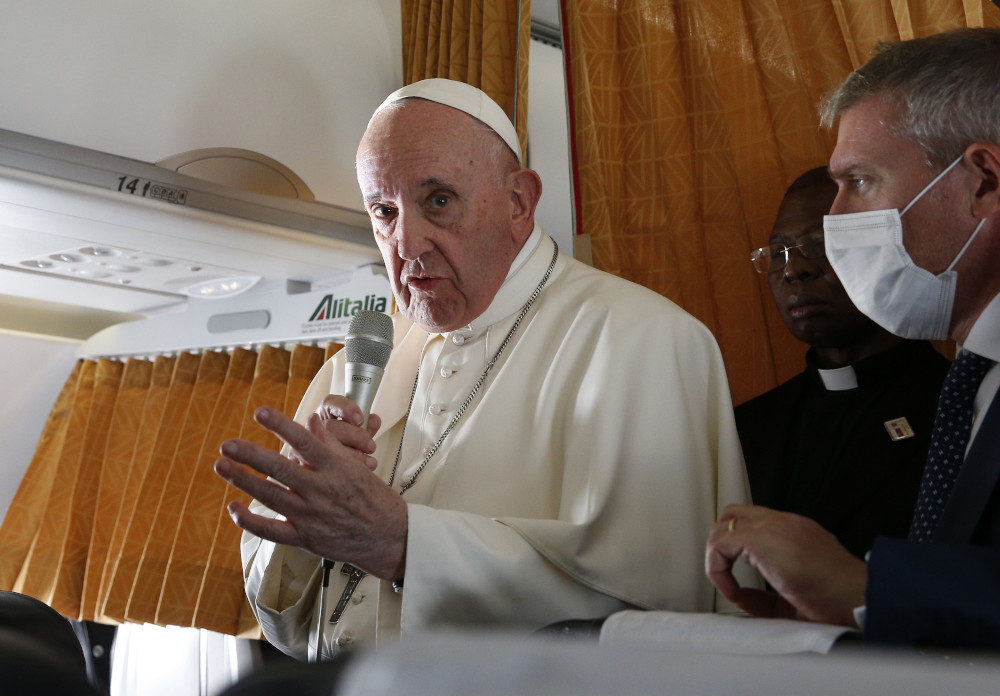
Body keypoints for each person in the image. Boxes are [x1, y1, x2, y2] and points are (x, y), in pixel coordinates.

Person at [214, 78, 754, 659]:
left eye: (438, 201)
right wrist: (301, 518)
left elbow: (658, 609)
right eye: (384, 210)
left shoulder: (644, 339)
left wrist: (401, 545)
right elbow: (291, 629)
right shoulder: (359, 363)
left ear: (519, 202)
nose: (406, 242)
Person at [706, 28, 1000, 649]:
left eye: (860, 182)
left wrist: (865, 587)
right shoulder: (974, 383)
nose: (836, 225)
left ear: (983, 182)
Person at [737, 167, 950, 559]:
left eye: (819, 243)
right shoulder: (746, 429)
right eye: (779, 252)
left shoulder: (957, 408)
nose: (793, 269)